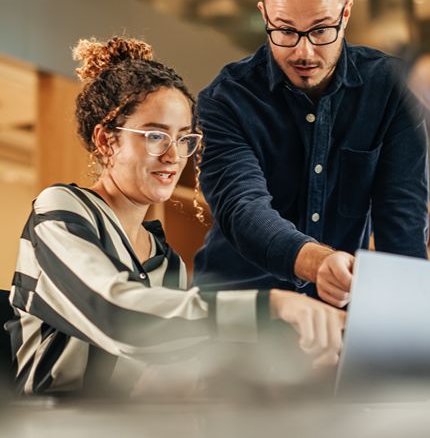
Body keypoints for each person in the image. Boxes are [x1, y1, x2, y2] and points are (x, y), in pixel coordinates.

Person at [6, 36, 345, 396]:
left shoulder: (165, 261)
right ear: (106, 140)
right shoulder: (61, 209)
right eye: (155, 136)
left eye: (184, 139)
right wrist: (270, 306)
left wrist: (288, 357)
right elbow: (117, 315)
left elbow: (163, 372)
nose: (174, 156)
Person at [193, 0, 429, 307]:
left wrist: (404, 326)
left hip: (336, 312)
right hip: (237, 308)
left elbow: (403, 226)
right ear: (264, 16)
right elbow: (242, 208)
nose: (304, 52)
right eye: (286, 30)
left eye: (320, 30)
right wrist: (317, 262)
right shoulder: (226, 99)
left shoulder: (391, 90)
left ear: (345, 14)